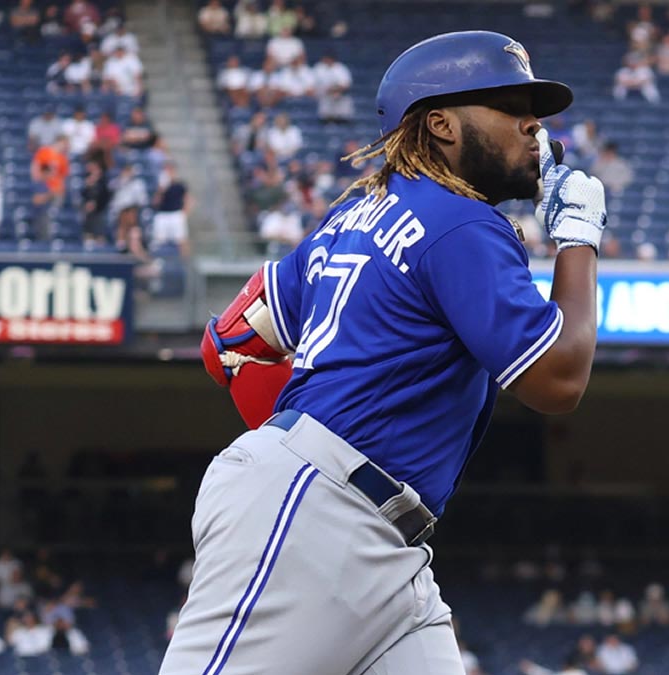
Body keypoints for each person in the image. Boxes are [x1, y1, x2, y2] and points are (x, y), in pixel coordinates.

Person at [167, 30, 601, 674]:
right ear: (441, 123)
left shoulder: (354, 213)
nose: (533, 123)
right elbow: (558, 380)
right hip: (316, 510)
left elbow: (228, 341)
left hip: (379, 537)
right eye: (510, 106)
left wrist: (295, 438)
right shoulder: (462, 221)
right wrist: (578, 239)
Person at [152, 163, 193, 252]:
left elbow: (188, 200)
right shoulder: (160, 187)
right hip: (163, 215)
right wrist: (161, 190)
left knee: (182, 240)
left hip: (176, 214)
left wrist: (184, 214)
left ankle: (185, 262)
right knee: (159, 240)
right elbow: (155, 202)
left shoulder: (180, 185)